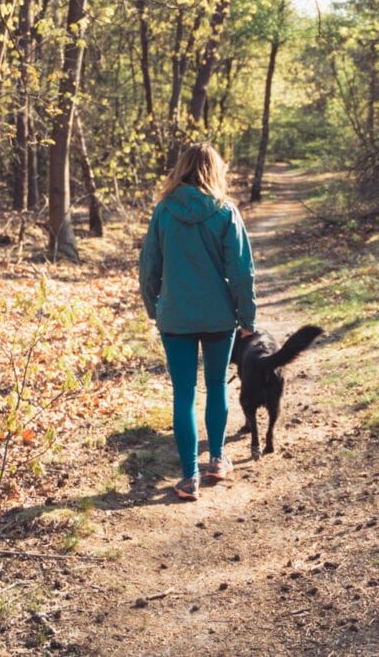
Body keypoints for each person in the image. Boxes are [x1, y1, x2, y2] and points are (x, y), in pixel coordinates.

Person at [139, 143, 257, 501]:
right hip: (218, 315)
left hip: (175, 316)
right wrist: (246, 317)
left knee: (184, 393)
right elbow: (241, 272)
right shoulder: (225, 211)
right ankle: (218, 461)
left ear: (182, 168)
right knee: (217, 385)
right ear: (214, 170)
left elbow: (148, 268)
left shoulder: (163, 211)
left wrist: (153, 308)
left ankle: (190, 476)